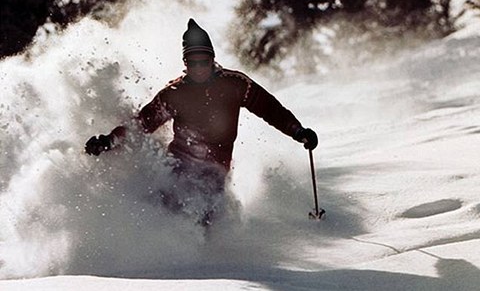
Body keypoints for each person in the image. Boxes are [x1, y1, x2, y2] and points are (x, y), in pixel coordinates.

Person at [85, 19, 318, 224]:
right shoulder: (175, 92)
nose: (198, 68)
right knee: (167, 205)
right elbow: (142, 124)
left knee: (206, 210)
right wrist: (109, 140)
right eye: (191, 62)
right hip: (179, 166)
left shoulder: (235, 84)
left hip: (215, 171)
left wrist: (297, 130)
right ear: (185, 63)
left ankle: (208, 262)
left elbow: (270, 108)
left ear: (212, 59)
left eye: (203, 62)